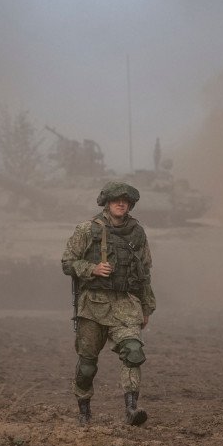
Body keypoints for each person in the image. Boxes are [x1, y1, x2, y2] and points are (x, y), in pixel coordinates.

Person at [61, 181, 156, 426]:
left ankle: (131, 410)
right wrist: (92, 268)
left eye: (125, 201)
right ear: (107, 203)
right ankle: (84, 412)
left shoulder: (137, 233)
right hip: (93, 305)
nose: (121, 204)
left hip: (125, 304)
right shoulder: (87, 229)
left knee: (134, 352)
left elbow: (144, 271)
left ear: (130, 204)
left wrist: (146, 307)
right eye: (116, 200)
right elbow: (67, 262)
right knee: (87, 367)